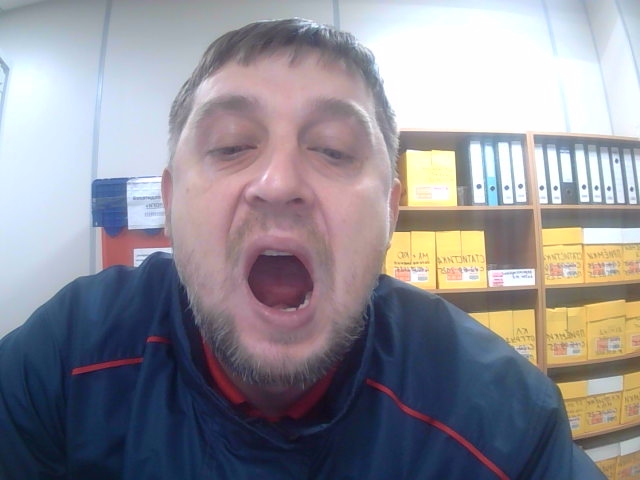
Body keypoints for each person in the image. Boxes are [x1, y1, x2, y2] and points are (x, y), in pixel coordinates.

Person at [0, 18, 605, 479]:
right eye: (232, 145)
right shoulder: (65, 359)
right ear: (171, 201)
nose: (279, 183)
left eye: (334, 150)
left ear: (390, 213)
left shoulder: (500, 420)